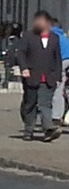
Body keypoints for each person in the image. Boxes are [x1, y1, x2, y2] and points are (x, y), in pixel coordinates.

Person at [17, 10, 63, 142]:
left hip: (48, 77)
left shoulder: (54, 38)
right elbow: (21, 53)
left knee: (45, 104)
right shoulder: (28, 36)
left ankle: (48, 129)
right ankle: (28, 130)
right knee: (30, 104)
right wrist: (24, 68)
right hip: (32, 76)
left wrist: (58, 76)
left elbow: (57, 58)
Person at [51, 18, 69, 126]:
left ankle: (56, 116)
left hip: (59, 63)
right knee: (64, 88)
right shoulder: (63, 37)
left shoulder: (52, 37)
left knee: (57, 90)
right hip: (67, 62)